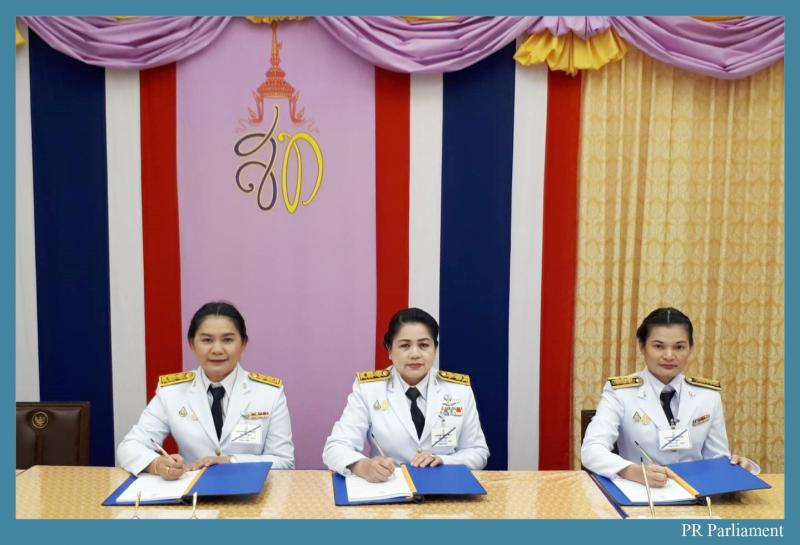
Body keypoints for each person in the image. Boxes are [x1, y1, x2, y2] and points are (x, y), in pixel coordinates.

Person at [581, 307, 759, 487]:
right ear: (642, 346)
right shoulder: (621, 392)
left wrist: (735, 467)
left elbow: (716, 458)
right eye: (658, 346)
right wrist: (630, 470)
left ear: (691, 348)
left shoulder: (708, 395)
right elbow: (592, 450)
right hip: (642, 492)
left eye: (679, 347)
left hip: (696, 493)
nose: (669, 356)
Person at [117, 301, 294, 479]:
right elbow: (129, 446)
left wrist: (231, 461)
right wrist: (156, 464)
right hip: (191, 491)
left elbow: (284, 462)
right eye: (207, 340)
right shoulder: (171, 392)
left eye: (227, 340)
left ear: (243, 344)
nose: (217, 350)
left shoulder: (269, 393)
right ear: (192, 344)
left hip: (252, 491)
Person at [322, 307, 489, 482]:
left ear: (435, 348)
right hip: (389, 487)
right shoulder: (370, 389)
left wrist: (444, 461)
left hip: (446, 487)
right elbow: (335, 448)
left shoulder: (458, 389)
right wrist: (364, 466)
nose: (415, 354)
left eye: (424, 345)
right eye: (405, 345)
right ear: (389, 350)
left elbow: (478, 452)